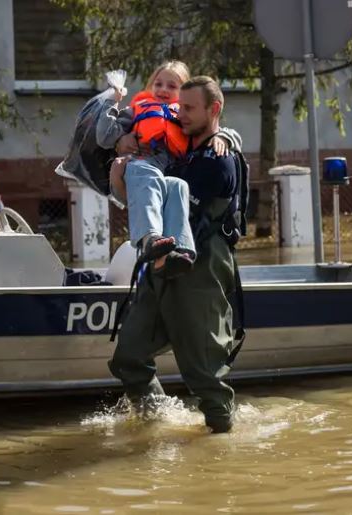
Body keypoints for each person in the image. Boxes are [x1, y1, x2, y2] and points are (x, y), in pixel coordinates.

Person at [108, 76, 244, 434]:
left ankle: (221, 444)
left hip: (199, 268)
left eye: (189, 109)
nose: (179, 114)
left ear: (214, 110)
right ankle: (158, 423)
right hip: (159, 262)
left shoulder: (218, 158)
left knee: (205, 373)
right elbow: (144, 195)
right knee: (129, 358)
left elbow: (187, 209)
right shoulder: (176, 150)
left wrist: (225, 137)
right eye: (178, 107)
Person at [97, 61, 231, 277]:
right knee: (147, 173)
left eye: (172, 86)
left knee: (178, 185)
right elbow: (103, 136)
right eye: (158, 84)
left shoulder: (185, 118)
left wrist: (224, 137)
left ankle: (179, 252)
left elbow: (220, 128)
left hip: (159, 178)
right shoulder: (136, 110)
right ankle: (151, 239)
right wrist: (117, 125)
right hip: (136, 167)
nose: (163, 90)